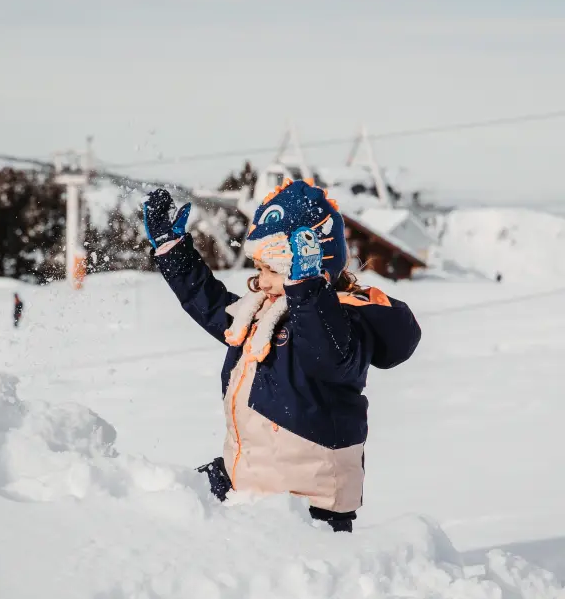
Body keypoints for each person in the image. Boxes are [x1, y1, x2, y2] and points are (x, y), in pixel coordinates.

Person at [143, 180, 421, 532]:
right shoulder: (266, 311)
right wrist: (174, 254)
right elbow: (214, 309)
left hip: (308, 502)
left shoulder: (345, 320)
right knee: (164, 509)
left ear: (312, 265)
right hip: (251, 480)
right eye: (259, 269)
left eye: (272, 270)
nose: (261, 282)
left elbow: (328, 357)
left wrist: (308, 291)